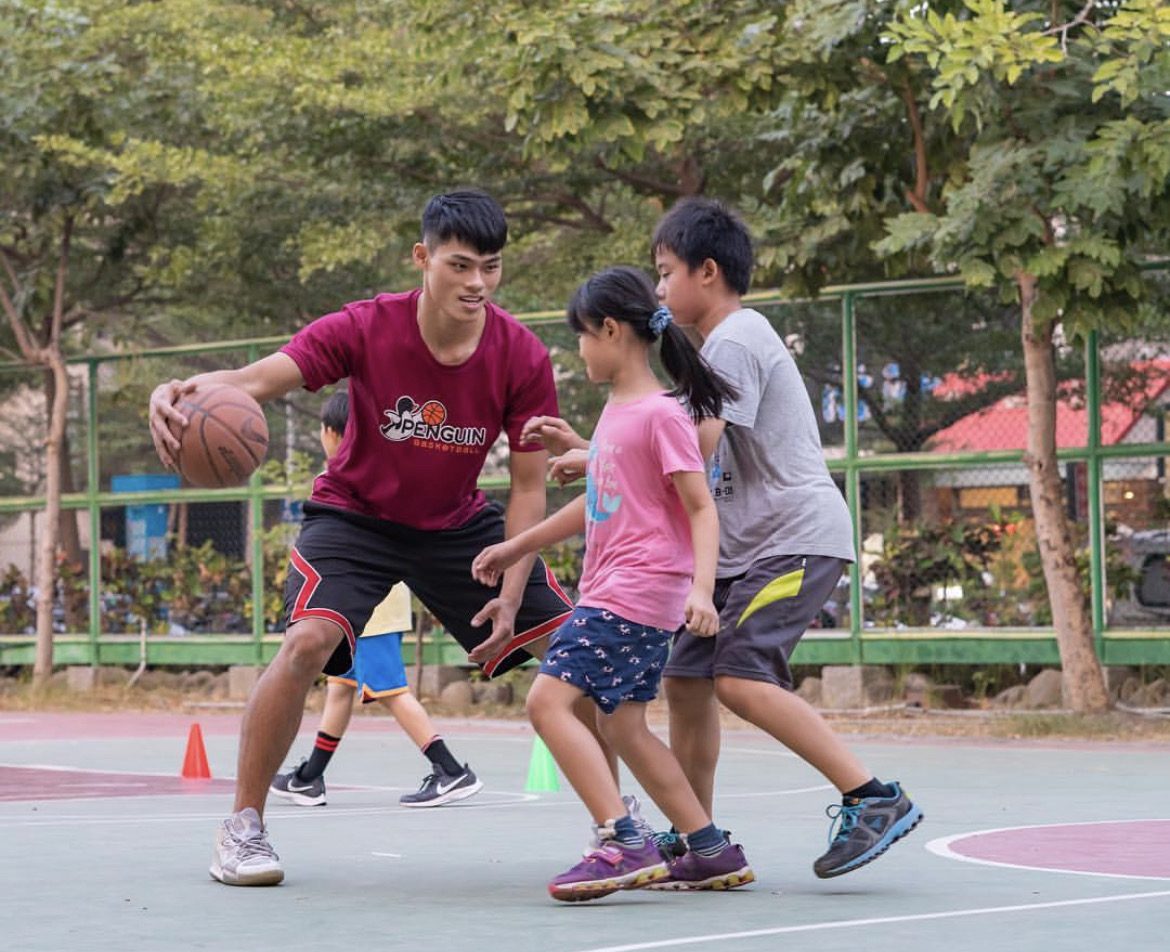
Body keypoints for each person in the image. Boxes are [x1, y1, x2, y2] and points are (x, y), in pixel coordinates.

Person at [149, 189, 573, 886]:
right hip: (356, 518)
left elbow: (530, 489)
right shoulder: (366, 326)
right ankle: (243, 827)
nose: (476, 283)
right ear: (423, 258)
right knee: (306, 643)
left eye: (490, 268)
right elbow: (257, 380)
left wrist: (513, 592)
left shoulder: (521, 355)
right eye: (460, 265)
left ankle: (626, 825)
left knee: (580, 646)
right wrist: (177, 388)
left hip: (456, 525)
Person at [525, 197, 923, 882]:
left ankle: (872, 796)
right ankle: (697, 840)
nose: (658, 288)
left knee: (738, 678)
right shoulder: (713, 350)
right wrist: (597, 452)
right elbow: (661, 456)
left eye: (666, 271)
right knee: (683, 680)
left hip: (792, 539)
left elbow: (692, 455)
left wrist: (594, 453)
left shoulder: (738, 337)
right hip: (747, 549)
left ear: (707, 272)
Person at [472, 266, 753, 902]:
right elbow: (598, 504)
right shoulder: (618, 414)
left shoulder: (660, 416)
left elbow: (700, 507)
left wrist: (701, 591)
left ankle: (623, 839)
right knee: (623, 726)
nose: (578, 350)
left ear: (609, 330)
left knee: (547, 703)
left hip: (635, 591)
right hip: (627, 589)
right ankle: (710, 850)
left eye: (582, 337)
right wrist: (517, 544)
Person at [269, 391, 482, 810]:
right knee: (340, 688)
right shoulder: (384, 473)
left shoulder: (351, 481)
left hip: (370, 609)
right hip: (358, 606)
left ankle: (450, 770)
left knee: (391, 691)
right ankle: (310, 777)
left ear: (332, 435)